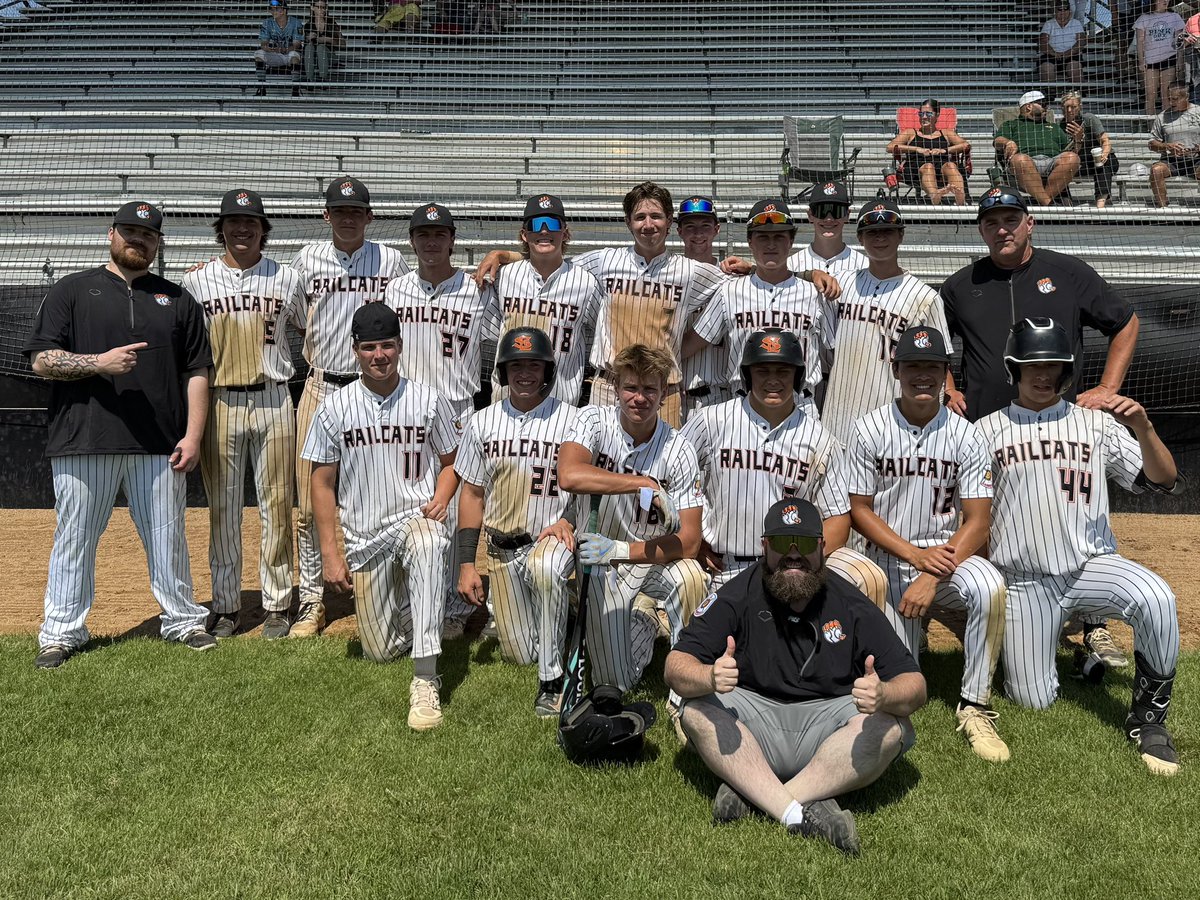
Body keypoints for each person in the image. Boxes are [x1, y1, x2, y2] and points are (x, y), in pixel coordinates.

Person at [976, 318, 1181, 776]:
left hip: (1093, 567)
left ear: (1067, 369)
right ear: (1014, 368)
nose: (1043, 374)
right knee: (1033, 700)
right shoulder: (986, 431)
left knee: (1157, 597)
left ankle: (1149, 723)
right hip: (1025, 581)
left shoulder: (1096, 425)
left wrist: (1144, 427)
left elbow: (1162, 481)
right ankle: (1083, 656)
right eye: (1032, 365)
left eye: (1053, 365)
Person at [665, 498, 926, 854]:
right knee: (695, 710)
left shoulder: (851, 603)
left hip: (828, 730)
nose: (793, 557)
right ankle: (801, 809)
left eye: (803, 545)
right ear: (764, 547)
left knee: (892, 728)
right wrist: (709, 676)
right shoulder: (735, 594)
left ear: (822, 547)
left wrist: (883, 696)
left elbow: (915, 685)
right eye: (780, 545)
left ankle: (757, 793)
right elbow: (675, 666)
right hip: (755, 723)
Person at [23, 201, 216, 668]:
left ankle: (183, 621)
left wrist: (192, 436)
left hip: (159, 443)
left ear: (158, 242)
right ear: (111, 234)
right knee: (76, 537)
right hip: (84, 439)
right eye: (130, 231)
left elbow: (197, 371)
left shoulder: (177, 298)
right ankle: (61, 631)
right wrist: (98, 363)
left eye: (148, 234)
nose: (138, 240)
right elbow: (41, 360)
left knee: (168, 539)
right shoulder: (71, 290)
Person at [475, 182, 830, 427]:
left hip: (665, 393)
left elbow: (756, 277)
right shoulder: (603, 262)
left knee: (659, 488)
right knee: (596, 486)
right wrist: (505, 255)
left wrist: (804, 273)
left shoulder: (689, 271)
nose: (648, 224)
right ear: (628, 222)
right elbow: (551, 261)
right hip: (606, 386)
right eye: (640, 217)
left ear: (669, 223)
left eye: (656, 216)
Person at [844, 326, 1008, 762]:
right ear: (896, 369)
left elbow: (979, 521)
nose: (922, 375)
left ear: (944, 373)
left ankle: (975, 705)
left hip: (946, 554)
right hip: (888, 558)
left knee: (989, 585)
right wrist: (914, 557)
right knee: (902, 679)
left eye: (931, 367)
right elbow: (859, 509)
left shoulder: (967, 435)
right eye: (912, 365)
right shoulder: (868, 429)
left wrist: (931, 573)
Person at [301, 303, 460, 730]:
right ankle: (425, 610)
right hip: (365, 536)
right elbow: (321, 482)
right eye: (369, 347)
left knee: (429, 544)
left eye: (387, 345)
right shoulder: (335, 407)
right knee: (378, 648)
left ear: (400, 346)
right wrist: (331, 556)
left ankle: (426, 678)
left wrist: (443, 497)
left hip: (414, 520)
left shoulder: (428, 399)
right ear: (355, 350)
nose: (379, 355)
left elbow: (451, 462)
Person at [681, 328, 889, 607]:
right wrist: (691, 539)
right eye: (763, 371)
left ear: (797, 377)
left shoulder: (819, 439)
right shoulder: (710, 422)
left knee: (867, 575)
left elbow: (838, 519)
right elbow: (673, 481)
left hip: (789, 571)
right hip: (721, 566)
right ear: (747, 375)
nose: (773, 380)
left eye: (783, 371)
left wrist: (797, 556)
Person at [181, 189, 306, 640]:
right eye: (233, 222)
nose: (242, 228)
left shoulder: (288, 279)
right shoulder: (196, 282)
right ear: (221, 229)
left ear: (263, 230)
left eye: (251, 222)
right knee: (223, 508)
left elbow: (310, 328)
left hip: (274, 396)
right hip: (221, 400)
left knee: (276, 504)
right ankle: (227, 603)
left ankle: (277, 603)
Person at [290, 177, 411, 638]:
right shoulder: (307, 259)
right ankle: (312, 600)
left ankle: (388, 589)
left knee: (384, 495)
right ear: (326, 215)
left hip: (376, 388)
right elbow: (296, 320)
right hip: (322, 386)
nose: (347, 217)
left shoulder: (391, 260)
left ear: (369, 216)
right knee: (307, 502)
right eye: (339, 211)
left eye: (356, 211)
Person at [556, 343, 709, 692]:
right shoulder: (593, 420)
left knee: (691, 577)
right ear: (615, 386)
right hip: (600, 559)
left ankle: (686, 688)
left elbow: (690, 541)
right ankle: (645, 621)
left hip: (651, 559)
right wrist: (641, 483)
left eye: (650, 389)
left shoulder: (679, 449)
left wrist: (623, 550)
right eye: (631, 387)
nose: (639, 398)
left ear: (665, 392)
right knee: (615, 684)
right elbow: (570, 475)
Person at [384, 202, 503, 638]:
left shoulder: (476, 290)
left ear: (453, 240)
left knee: (454, 510)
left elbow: (507, 324)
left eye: (440, 235)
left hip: (458, 409)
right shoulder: (395, 291)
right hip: (409, 410)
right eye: (423, 235)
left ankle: (453, 606)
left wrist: (502, 257)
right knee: (410, 501)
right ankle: (411, 598)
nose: (431, 242)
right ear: (412, 241)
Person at [455, 327, 578, 716]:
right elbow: (472, 495)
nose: (525, 373)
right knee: (519, 654)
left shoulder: (572, 420)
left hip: (549, 542)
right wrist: (466, 563)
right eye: (516, 365)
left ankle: (553, 683)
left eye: (534, 365)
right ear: (502, 371)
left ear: (548, 371)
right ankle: (570, 616)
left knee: (546, 570)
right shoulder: (482, 422)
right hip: (502, 552)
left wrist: (570, 521)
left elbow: (588, 488)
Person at [819, 197, 948, 448]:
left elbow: (937, 365)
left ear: (900, 235)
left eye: (887, 231)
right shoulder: (841, 284)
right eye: (872, 232)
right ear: (860, 238)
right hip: (837, 421)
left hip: (891, 425)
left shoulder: (925, 297)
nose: (880, 238)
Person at [684, 200, 831, 402]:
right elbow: (693, 342)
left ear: (791, 241)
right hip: (742, 406)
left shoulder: (816, 294)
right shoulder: (729, 290)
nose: (771, 244)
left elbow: (835, 355)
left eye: (779, 236)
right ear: (750, 242)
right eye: (762, 237)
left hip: (801, 406)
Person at [490, 194, 603, 405]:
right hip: (505, 404)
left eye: (552, 223)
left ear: (565, 232)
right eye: (535, 224)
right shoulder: (504, 277)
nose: (544, 230)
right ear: (524, 234)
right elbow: (490, 332)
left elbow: (602, 336)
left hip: (561, 404)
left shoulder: (586, 282)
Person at [675, 195, 731, 411]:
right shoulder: (667, 276)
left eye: (705, 226)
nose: (698, 234)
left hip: (719, 396)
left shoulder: (732, 278)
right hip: (673, 396)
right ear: (679, 231)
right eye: (690, 226)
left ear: (716, 229)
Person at [994, 89, 1080, 206]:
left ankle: (1044, 201)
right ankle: (1048, 203)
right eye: (1042, 104)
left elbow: (1070, 151)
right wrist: (1008, 142)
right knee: (1020, 159)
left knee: (1072, 158)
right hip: (1026, 163)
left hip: (1052, 164)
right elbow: (997, 140)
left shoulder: (1053, 127)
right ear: (1028, 106)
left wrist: (1078, 140)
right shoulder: (1012, 124)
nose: (1046, 107)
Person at [886, 98, 970, 205]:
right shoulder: (910, 133)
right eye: (921, 114)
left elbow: (966, 145)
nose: (924, 117)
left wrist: (944, 150)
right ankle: (934, 196)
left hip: (941, 166)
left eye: (928, 114)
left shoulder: (945, 133)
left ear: (937, 115)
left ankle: (960, 198)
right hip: (915, 169)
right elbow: (890, 147)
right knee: (928, 167)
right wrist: (916, 149)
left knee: (951, 166)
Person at [1058, 91, 1119, 208]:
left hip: (1101, 160)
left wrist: (1105, 154)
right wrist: (1078, 140)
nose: (1070, 110)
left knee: (1104, 162)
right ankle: (1066, 203)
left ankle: (1100, 203)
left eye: (1073, 107)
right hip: (1078, 163)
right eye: (1067, 107)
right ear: (1061, 108)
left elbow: (1105, 141)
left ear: (1080, 106)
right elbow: (1069, 155)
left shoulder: (1089, 119)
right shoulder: (1060, 128)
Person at [1148, 81, 1200, 207]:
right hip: (1171, 161)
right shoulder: (1162, 117)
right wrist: (1167, 146)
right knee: (1156, 170)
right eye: (1169, 99)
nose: (1171, 102)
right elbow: (1152, 143)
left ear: (1186, 97)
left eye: (1175, 99)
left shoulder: (1198, 112)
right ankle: (1162, 207)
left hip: (1197, 159)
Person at [1134, 0, 1186, 116]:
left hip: (1169, 57)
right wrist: (1141, 61)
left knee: (1166, 95)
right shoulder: (1144, 18)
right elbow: (1140, 42)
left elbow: (1180, 41)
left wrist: (1180, 60)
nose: (1165, 1)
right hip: (1150, 60)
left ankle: (1165, 125)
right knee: (1150, 94)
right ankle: (1150, 126)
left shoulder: (1175, 16)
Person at [254, 0, 303, 98]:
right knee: (259, 54)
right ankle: (262, 87)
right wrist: (268, 48)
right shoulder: (267, 23)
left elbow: (297, 44)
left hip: (289, 53)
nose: (273, 12)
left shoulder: (295, 22)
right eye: (272, 9)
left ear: (284, 11)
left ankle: (295, 89)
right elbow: (263, 43)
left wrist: (285, 49)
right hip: (275, 53)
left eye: (276, 9)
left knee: (294, 56)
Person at [1039, 0, 1086, 85]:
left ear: (1069, 11)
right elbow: (1043, 42)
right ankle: (1050, 94)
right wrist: (1053, 53)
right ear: (1055, 11)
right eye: (1059, 9)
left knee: (1074, 67)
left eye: (1065, 9)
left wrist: (1069, 53)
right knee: (1046, 68)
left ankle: (1078, 92)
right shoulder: (1049, 24)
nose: (1062, 12)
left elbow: (1081, 42)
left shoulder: (1076, 23)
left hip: (1072, 56)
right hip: (1051, 56)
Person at [302, 0, 344, 85]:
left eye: (324, 7)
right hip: (314, 58)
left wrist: (327, 39)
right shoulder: (308, 25)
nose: (322, 10)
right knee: (309, 47)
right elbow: (303, 47)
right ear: (312, 8)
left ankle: (323, 79)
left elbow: (343, 44)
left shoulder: (331, 22)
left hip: (330, 56)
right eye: (319, 7)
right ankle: (309, 80)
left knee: (321, 47)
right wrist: (307, 39)